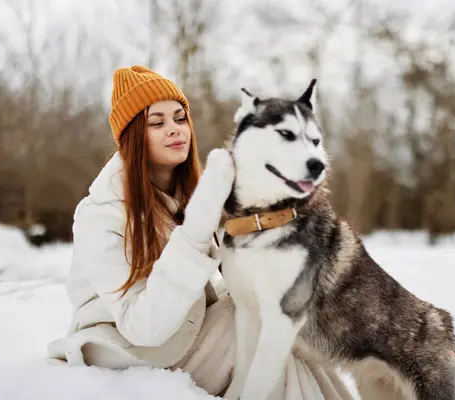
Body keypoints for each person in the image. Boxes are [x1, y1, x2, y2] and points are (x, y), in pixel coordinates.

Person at [46, 66, 355, 400]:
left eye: (180, 118)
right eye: (157, 122)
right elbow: (142, 326)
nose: (175, 130)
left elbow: (200, 288)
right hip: (127, 350)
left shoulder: (182, 193)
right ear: (133, 136)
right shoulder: (102, 213)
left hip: (182, 331)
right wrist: (195, 232)